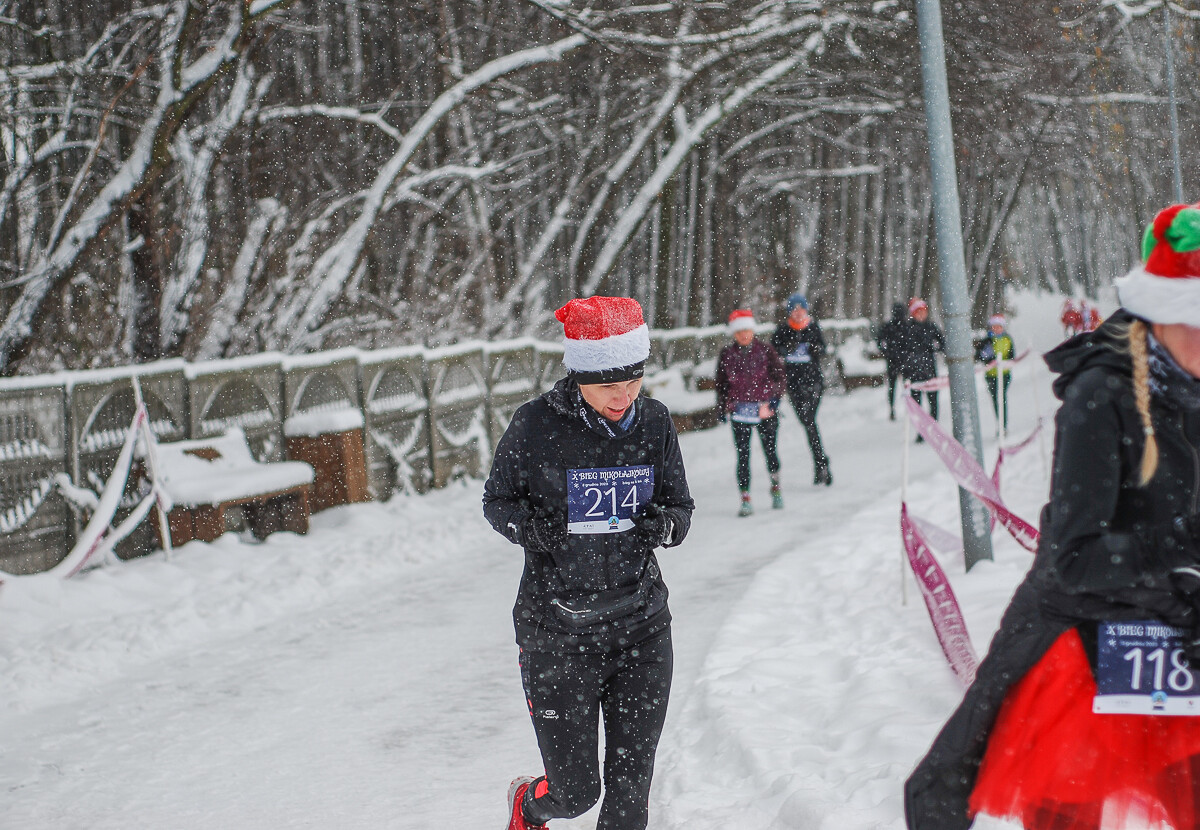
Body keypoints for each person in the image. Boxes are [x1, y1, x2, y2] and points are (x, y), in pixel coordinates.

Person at [906, 202, 1200, 830]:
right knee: (1068, 813)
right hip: (1085, 642)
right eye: (1194, 323)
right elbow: (1075, 558)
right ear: (1160, 316)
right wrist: (1178, 557)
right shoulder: (1101, 396)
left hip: (1183, 633)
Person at [483, 296, 695, 830]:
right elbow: (497, 501)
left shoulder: (654, 422)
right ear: (578, 377)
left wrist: (664, 526)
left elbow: (680, 507)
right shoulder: (534, 425)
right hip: (558, 635)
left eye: (633, 380)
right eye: (607, 385)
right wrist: (533, 530)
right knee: (576, 793)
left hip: (641, 629)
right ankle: (529, 805)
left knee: (628, 799)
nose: (623, 395)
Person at [715, 308, 787, 516]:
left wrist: (774, 400)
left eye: (747, 330)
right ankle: (745, 498)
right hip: (739, 411)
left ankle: (776, 487)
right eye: (739, 332)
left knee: (770, 451)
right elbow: (721, 384)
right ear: (734, 334)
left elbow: (780, 377)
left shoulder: (765, 350)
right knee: (743, 455)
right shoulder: (727, 354)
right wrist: (721, 406)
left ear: (752, 330)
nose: (744, 335)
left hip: (764, 409)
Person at [771, 293, 832, 485]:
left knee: (809, 419)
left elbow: (823, 348)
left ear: (806, 310)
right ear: (789, 311)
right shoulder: (782, 330)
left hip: (813, 381)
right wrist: (784, 350)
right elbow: (772, 352)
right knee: (807, 422)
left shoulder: (813, 327)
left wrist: (815, 349)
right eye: (794, 310)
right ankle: (821, 462)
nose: (798, 313)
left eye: (801, 309)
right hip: (793, 383)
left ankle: (821, 463)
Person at [897, 298, 946, 439]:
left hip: (930, 370)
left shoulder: (931, 326)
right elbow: (901, 350)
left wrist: (938, 348)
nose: (921, 315)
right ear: (913, 313)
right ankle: (921, 431)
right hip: (913, 372)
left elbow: (942, 343)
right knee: (917, 405)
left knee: (933, 402)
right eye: (918, 312)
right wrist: (904, 368)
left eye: (924, 312)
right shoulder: (907, 329)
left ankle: (934, 428)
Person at [974, 313, 1016, 432]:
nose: (996, 328)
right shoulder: (987, 340)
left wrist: (1005, 362)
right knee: (996, 400)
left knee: (1002, 398)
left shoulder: (1007, 339)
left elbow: (1012, 355)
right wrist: (987, 358)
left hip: (1004, 374)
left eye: (999, 326)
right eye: (994, 326)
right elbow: (978, 356)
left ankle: (1003, 425)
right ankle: (1000, 422)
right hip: (991, 375)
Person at [877, 301, 908, 421]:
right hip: (897, 360)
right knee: (898, 386)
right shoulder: (895, 325)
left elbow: (879, 340)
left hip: (897, 360)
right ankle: (896, 408)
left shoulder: (891, 325)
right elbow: (880, 340)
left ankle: (895, 408)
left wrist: (886, 351)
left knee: (895, 386)